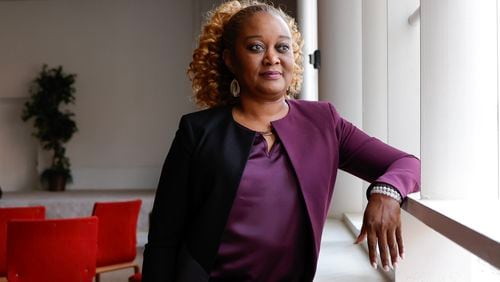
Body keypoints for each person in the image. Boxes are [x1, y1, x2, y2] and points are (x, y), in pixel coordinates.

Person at [142, 1, 420, 281]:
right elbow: (164, 236)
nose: (272, 58)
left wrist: (386, 193)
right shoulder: (197, 131)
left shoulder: (324, 122)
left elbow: (408, 164)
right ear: (229, 59)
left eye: (282, 47)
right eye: (255, 47)